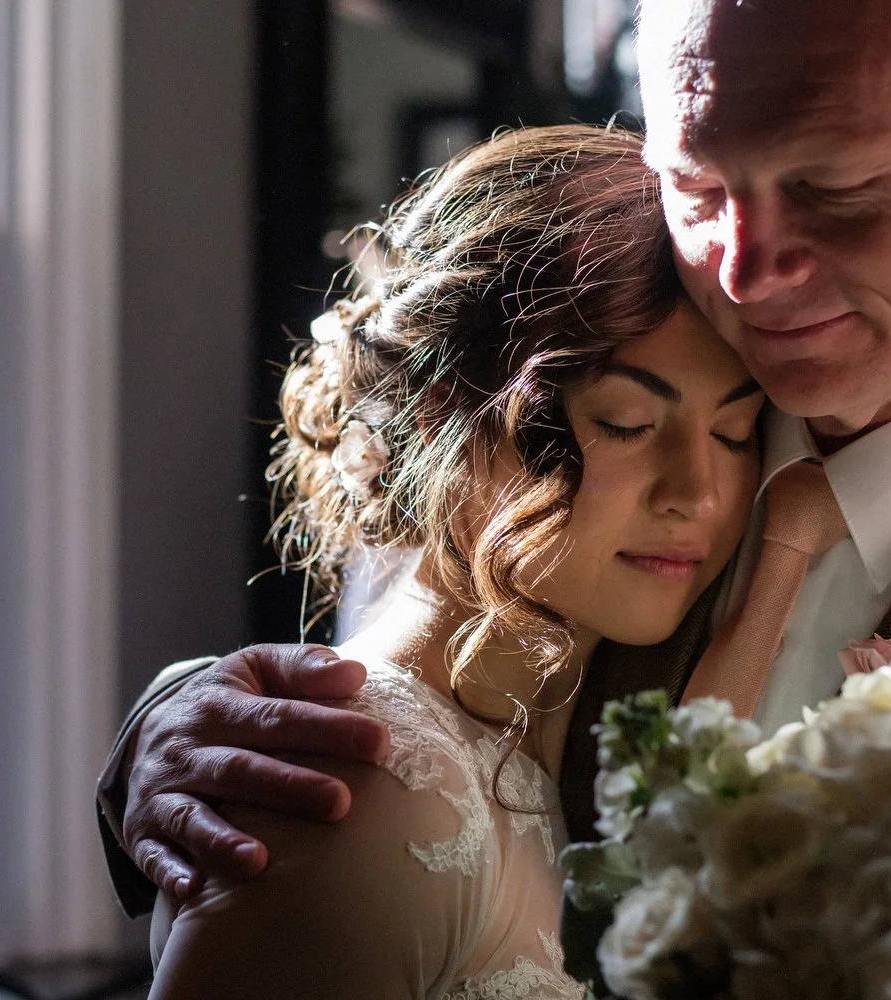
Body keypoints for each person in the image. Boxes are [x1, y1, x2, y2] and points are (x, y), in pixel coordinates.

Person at [98, 0, 891, 915]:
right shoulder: (617, 387)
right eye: (696, 190)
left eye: (837, 190)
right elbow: (425, 662)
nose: (744, 275)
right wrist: (175, 727)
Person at [140, 124, 764, 998]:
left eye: (737, 432)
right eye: (624, 420)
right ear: (441, 415)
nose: (696, 492)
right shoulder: (365, 800)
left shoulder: (566, 747)